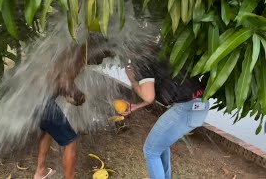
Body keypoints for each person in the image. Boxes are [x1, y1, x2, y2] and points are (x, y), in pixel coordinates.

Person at [119, 46, 209, 179]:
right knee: (160, 145)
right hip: (199, 104)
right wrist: (135, 106)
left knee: (150, 151)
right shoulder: (162, 52)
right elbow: (151, 95)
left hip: (185, 107)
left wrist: (132, 80)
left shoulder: (142, 61)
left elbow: (148, 96)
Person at [34, 36, 114, 179]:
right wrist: (78, 96)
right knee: (71, 142)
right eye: (103, 56)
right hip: (42, 100)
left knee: (47, 130)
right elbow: (65, 80)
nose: (101, 61)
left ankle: (40, 171)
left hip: (33, 97)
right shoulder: (81, 54)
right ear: (97, 49)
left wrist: (73, 92)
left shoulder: (72, 51)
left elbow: (61, 76)